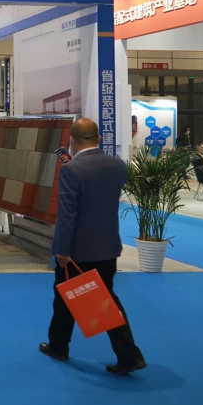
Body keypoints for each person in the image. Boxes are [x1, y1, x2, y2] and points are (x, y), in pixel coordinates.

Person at [39, 118, 146, 376]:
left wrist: (61, 249)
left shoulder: (72, 170)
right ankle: (62, 345)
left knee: (70, 296)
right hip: (107, 246)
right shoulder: (117, 165)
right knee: (101, 297)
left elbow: (68, 214)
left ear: (72, 141)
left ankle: (63, 347)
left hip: (78, 251)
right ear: (98, 138)